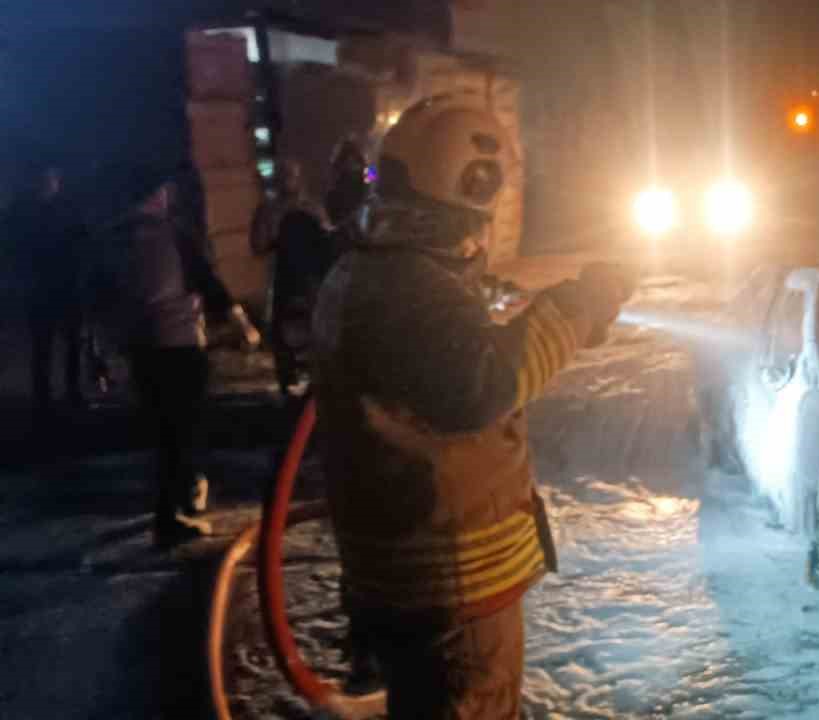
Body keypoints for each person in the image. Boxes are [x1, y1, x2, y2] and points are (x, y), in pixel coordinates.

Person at [312, 96, 634, 719]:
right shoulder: (411, 290)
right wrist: (578, 307)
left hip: (408, 580)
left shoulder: (373, 270)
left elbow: (435, 354)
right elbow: (481, 386)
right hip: (451, 583)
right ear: (474, 185)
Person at [105, 168, 260, 544]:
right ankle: (173, 516)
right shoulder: (171, 234)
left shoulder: (114, 240)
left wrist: (105, 351)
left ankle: (175, 503)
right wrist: (243, 325)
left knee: (162, 435)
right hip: (179, 346)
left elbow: (100, 297)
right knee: (184, 432)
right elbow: (208, 281)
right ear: (156, 196)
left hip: (142, 350)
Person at [11, 164, 88, 424]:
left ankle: (68, 392)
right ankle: (47, 396)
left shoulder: (58, 212)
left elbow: (81, 243)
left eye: (52, 179)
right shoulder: (28, 213)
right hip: (45, 287)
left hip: (61, 286)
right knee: (45, 344)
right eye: (45, 180)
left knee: (68, 343)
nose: (48, 184)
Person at [251, 160, 333, 396]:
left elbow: (327, 241)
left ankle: (312, 388)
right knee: (284, 335)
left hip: (307, 282)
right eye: (284, 175)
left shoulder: (311, 208)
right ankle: (290, 384)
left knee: (311, 332)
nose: (288, 180)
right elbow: (258, 245)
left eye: (291, 175)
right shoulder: (270, 210)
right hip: (285, 281)